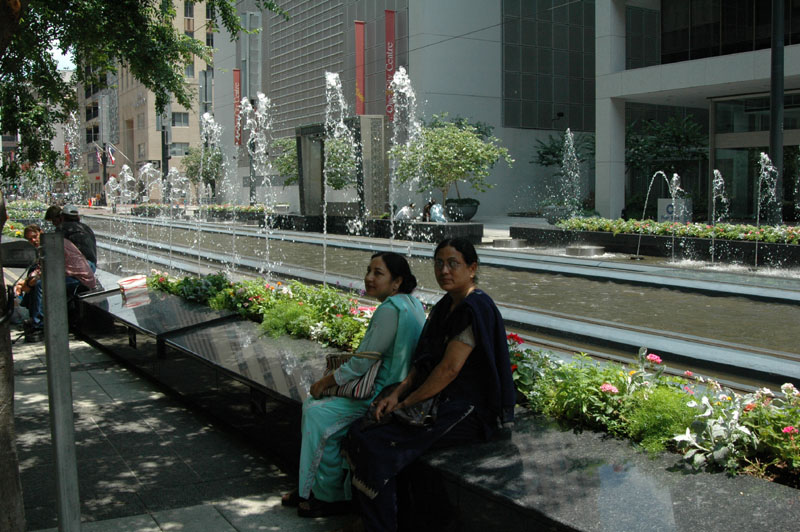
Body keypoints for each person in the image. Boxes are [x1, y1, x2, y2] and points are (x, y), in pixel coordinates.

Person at [343, 238, 516, 532]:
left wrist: (406, 403)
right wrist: (398, 393)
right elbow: (424, 363)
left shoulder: (475, 308)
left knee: (377, 444)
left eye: (453, 264)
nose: (444, 271)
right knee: (362, 429)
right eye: (439, 263)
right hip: (436, 400)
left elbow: (448, 370)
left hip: (467, 409)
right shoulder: (446, 306)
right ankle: (382, 518)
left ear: (472, 268)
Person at [282, 252, 426, 518]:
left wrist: (325, 382)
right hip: (395, 390)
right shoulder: (413, 304)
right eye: (368, 271)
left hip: (378, 397)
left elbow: (362, 362)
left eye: (378, 273)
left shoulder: (390, 309)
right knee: (319, 412)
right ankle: (313, 487)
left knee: (316, 412)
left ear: (397, 282)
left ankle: (327, 496)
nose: (369, 278)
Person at [22, 224, 97, 331]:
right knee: (33, 282)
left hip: (80, 279)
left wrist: (30, 282)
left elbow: (49, 270)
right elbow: (40, 267)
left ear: (41, 232)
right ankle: (34, 316)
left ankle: (39, 323)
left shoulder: (52, 245)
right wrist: (28, 280)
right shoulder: (45, 245)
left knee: (41, 285)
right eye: (30, 239)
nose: (33, 240)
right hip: (68, 275)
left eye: (35, 236)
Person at [45, 204, 98, 270]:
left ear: (61, 217)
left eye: (54, 221)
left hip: (82, 267)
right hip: (92, 265)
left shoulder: (62, 228)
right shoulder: (85, 227)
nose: (53, 224)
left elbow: (56, 251)